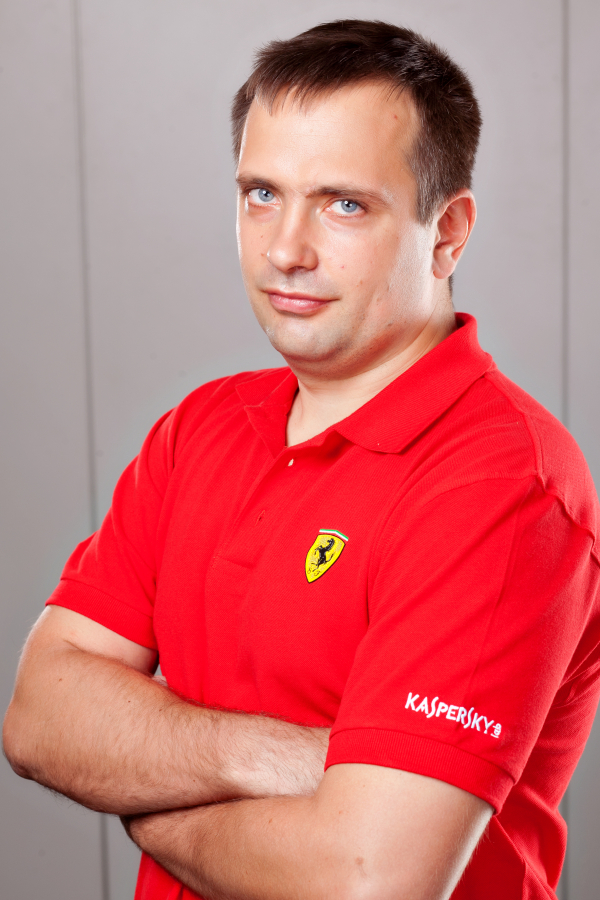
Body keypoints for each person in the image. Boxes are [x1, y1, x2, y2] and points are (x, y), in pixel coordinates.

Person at [3, 18, 600, 900]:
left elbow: (368, 880)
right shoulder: (200, 429)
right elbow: (38, 718)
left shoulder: (505, 485)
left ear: (447, 233)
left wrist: (149, 804)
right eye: (261, 194)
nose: (285, 249)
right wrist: (281, 758)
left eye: (343, 204)